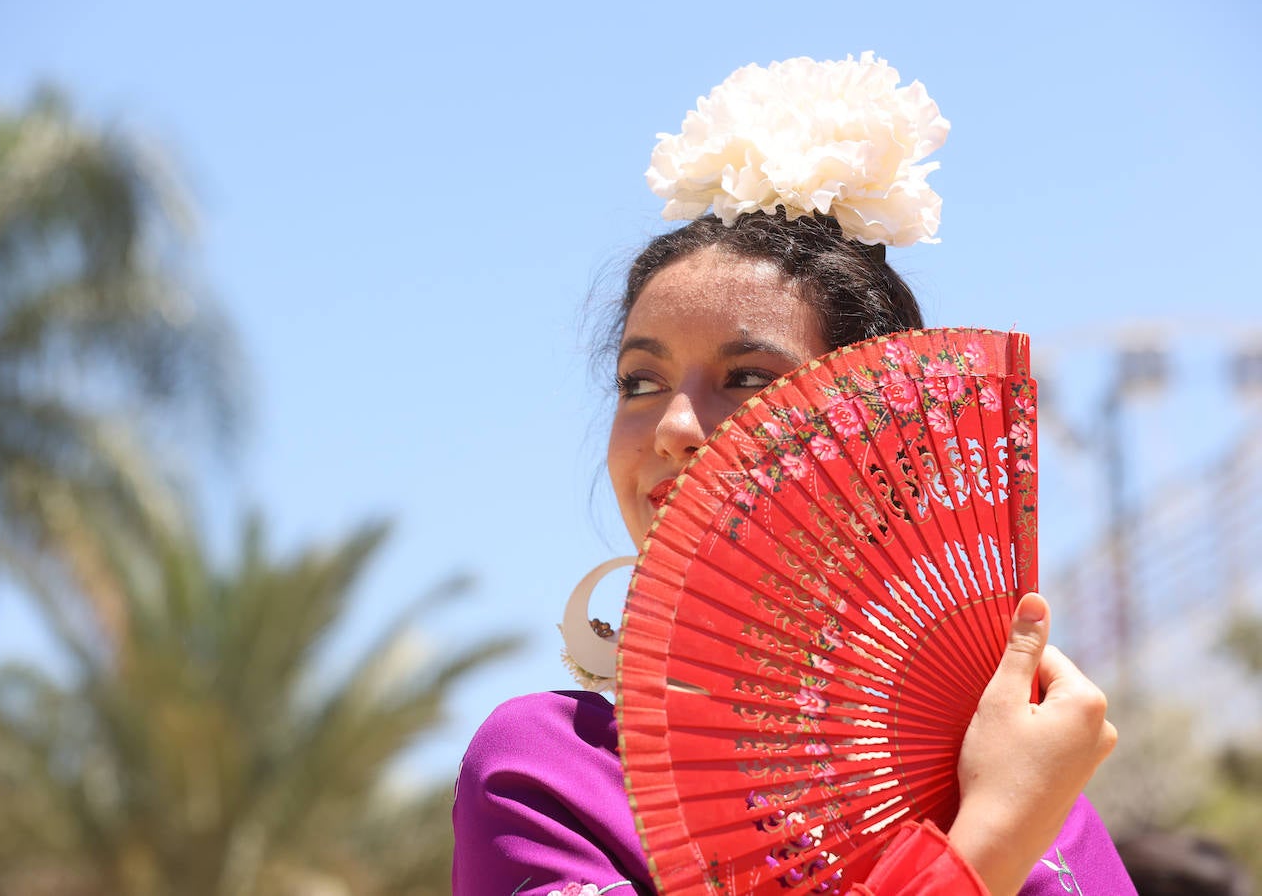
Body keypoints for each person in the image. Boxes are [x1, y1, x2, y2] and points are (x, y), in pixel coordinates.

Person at [452, 54, 1133, 896]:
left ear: (881, 448)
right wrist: (987, 845)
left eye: (747, 380)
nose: (672, 428)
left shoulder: (1014, 762)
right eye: (639, 382)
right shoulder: (554, 770)